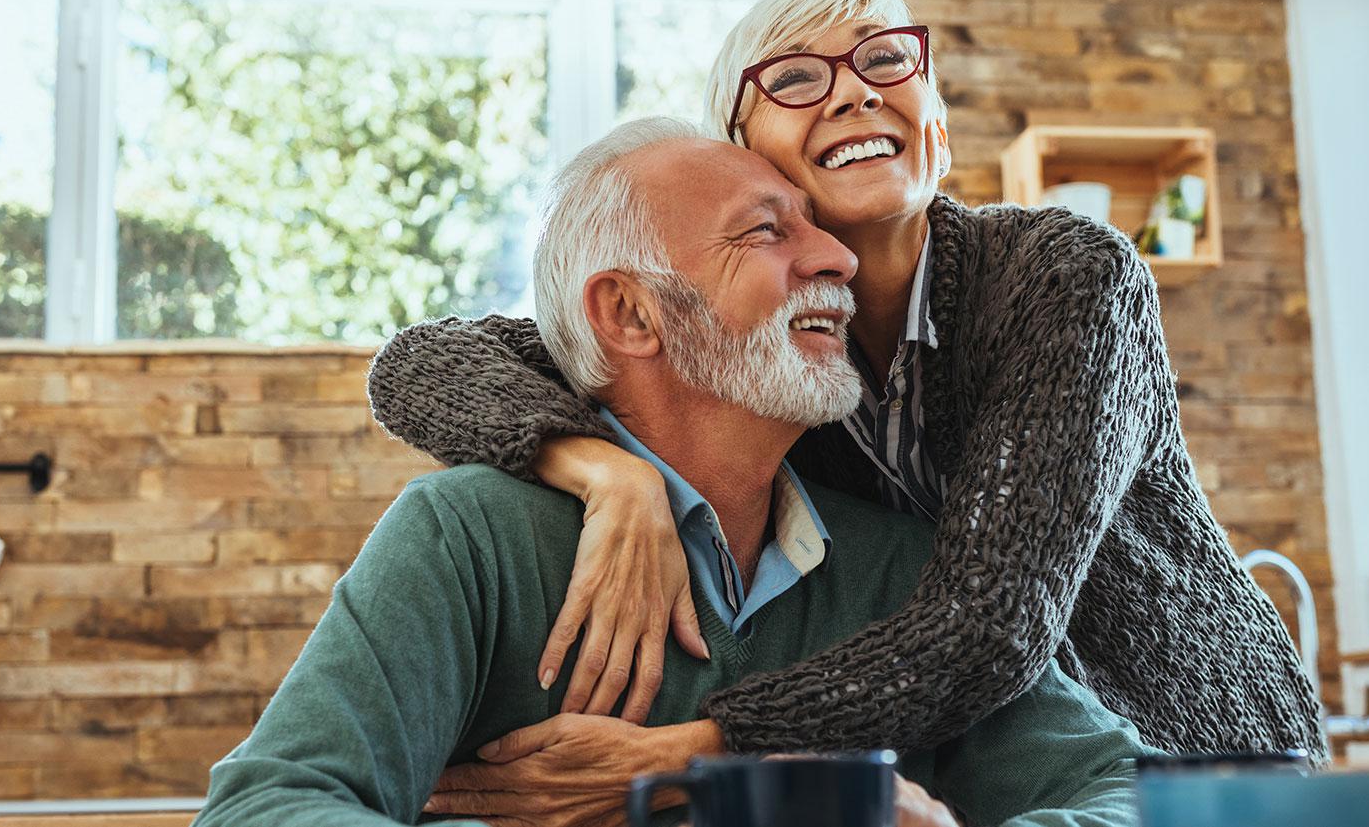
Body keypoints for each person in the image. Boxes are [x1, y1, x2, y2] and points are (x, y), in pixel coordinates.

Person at [367, 0, 1323, 816]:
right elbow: (420, 362)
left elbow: (992, 624)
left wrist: (689, 754)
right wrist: (607, 472)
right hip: (988, 777)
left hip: (1190, 757)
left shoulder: (1065, 277)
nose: (857, 88)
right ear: (742, 153)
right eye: (794, 78)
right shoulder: (756, 349)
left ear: (935, 125)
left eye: (884, 60)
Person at [194, 119, 1153, 827]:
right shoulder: (467, 536)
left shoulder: (901, 567)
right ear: (631, 316)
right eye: (769, 231)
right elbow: (266, 807)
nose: (835, 258)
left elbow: (1127, 799)